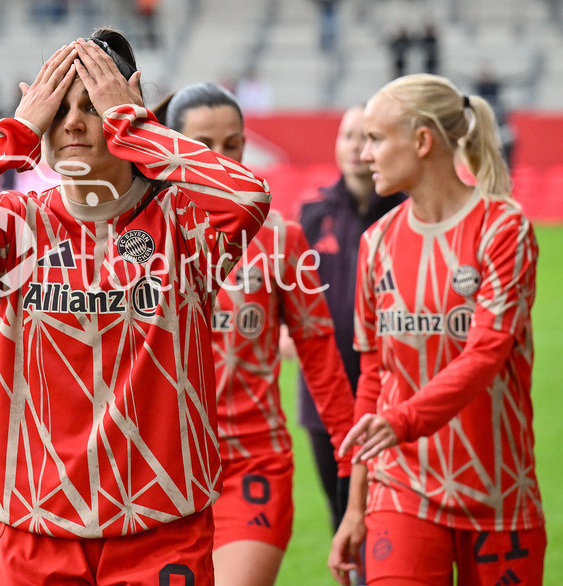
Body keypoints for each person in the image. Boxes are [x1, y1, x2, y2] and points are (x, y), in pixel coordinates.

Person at [0, 29, 272, 584]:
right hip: (31, 532)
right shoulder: (15, 224)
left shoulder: (183, 223)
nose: (74, 124)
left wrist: (136, 126)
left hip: (161, 531)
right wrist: (13, 134)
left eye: (92, 106)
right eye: (58, 109)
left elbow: (249, 196)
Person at [328, 74, 545, 585]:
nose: (364, 154)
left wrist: (403, 420)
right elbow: (374, 378)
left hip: (498, 493)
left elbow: (486, 354)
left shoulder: (504, 229)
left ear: (423, 141)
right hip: (400, 489)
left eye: (377, 139)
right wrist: (356, 507)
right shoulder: (376, 241)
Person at [156, 83, 355, 586]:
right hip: (160, 469)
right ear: (172, 147)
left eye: (233, 144)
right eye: (204, 145)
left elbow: (320, 359)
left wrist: (355, 465)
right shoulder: (140, 239)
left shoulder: (279, 238)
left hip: (252, 465)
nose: (221, 159)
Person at [295, 106, 405, 534]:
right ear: (337, 145)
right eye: (349, 136)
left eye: (369, 136)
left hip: (393, 390)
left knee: (391, 514)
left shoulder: (407, 214)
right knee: (342, 515)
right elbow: (289, 291)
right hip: (324, 393)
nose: (358, 147)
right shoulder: (311, 213)